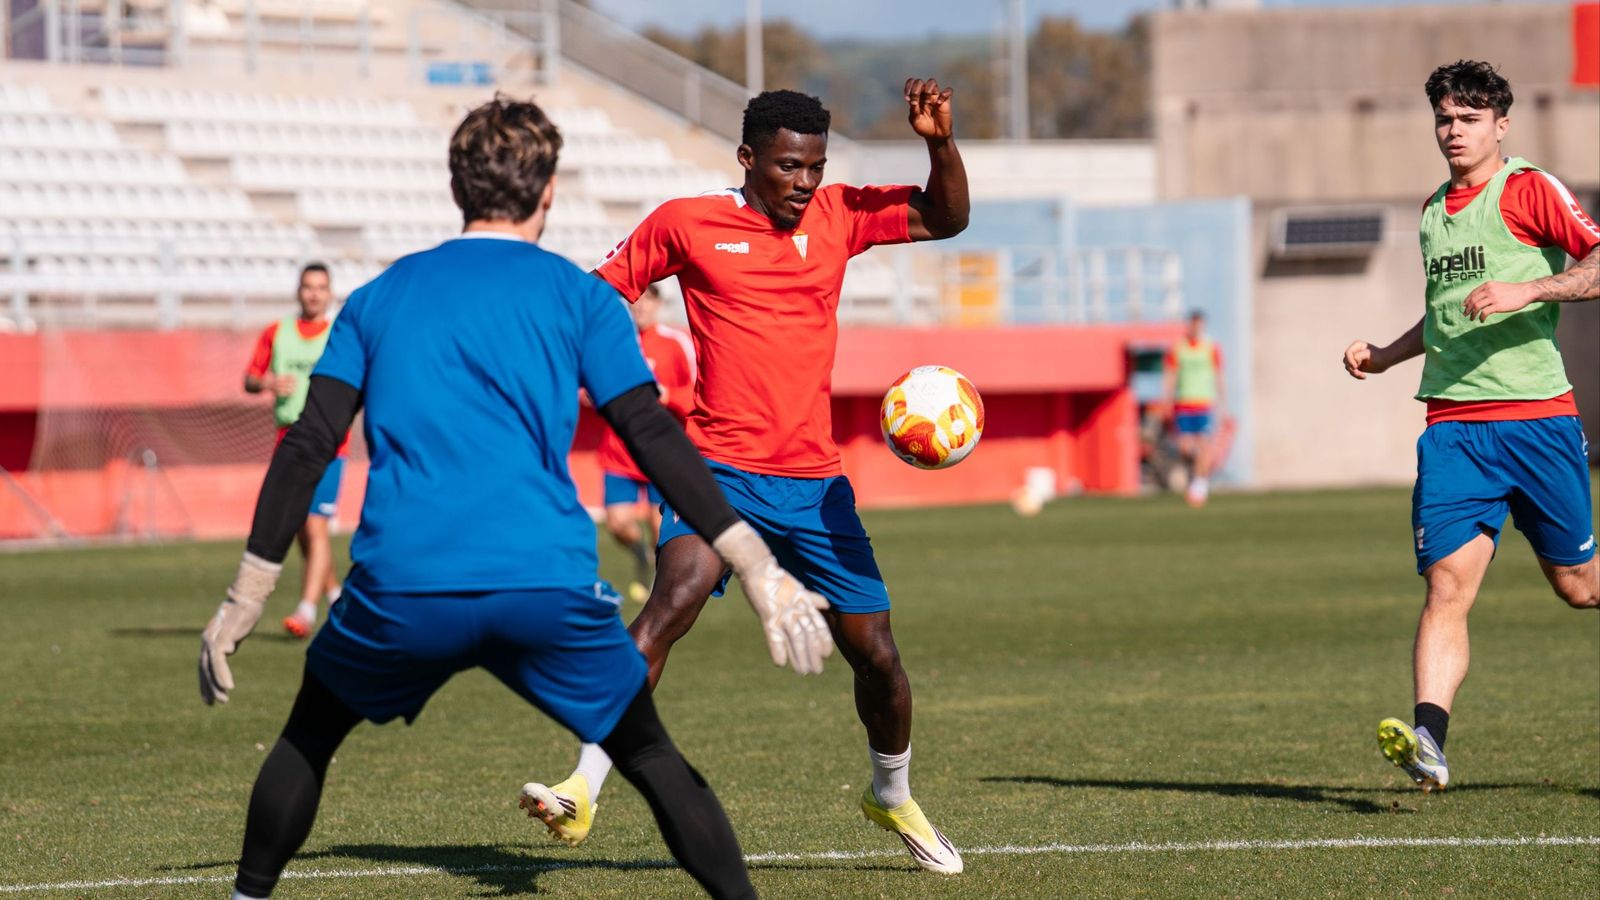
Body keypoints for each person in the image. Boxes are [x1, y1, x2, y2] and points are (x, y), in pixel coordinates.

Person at [198, 96, 835, 900]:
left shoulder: (379, 298)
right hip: (544, 584)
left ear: (457, 186)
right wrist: (755, 564)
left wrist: (247, 593)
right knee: (649, 756)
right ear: (549, 193)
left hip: (403, 586)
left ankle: (248, 893)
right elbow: (651, 433)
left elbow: (307, 446)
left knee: (308, 737)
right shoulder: (581, 298)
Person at [521, 80, 970, 875]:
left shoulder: (840, 216)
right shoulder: (687, 223)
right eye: (789, 167)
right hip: (718, 472)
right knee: (671, 603)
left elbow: (947, 217)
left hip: (816, 487)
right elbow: (596, 297)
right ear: (748, 159)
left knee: (878, 659)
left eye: (816, 167)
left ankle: (891, 793)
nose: (805, 184)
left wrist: (938, 143)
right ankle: (582, 786)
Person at [1341, 59, 1599, 792]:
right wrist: (1388, 355)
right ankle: (1430, 742)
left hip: (1538, 420)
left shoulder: (1528, 189)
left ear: (1501, 125)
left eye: (1469, 118)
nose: (1453, 131)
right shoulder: (1432, 211)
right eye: (1445, 119)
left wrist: (1531, 286)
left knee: (1579, 586)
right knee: (1447, 589)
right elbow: (1448, 311)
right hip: (1453, 428)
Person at [243, 263, 345, 638]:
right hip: (288, 439)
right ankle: (336, 596)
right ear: (298, 291)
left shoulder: (340, 334)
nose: (314, 294)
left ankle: (305, 611)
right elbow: (249, 378)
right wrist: (268, 381)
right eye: (308, 287)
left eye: (321, 287)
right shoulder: (278, 332)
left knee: (315, 524)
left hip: (332, 443)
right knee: (303, 526)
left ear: (330, 292)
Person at [596, 284, 696, 602]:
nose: (639, 307)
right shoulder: (613, 343)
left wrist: (667, 396)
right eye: (634, 301)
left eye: (646, 300)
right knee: (618, 525)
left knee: (659, 528)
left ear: (658, 304)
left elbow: (697, 393)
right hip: (619, 451)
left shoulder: (676, 342)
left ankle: (661, 587)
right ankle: (640, 553)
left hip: (661, 450)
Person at [1161, 310, 1227, 507]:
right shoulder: (1179, 348)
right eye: (1194, 324)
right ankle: (1197, 474)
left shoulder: (1210, 347)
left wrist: (1223, 405)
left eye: (1200, 324)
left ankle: (1199, 486)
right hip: (1183, 403)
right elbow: (1170, 375)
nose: (1197, 328)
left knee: (1204, 446)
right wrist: (1166, 400)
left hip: (1204, 403)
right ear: (1189, 325)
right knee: (1185, 448)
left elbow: (1218, 376)